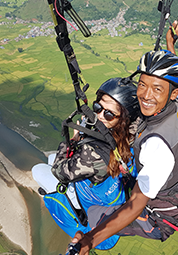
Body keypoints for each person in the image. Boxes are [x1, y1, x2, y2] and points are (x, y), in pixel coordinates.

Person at [70, 22, 178, 254]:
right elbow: (169, 81)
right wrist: (170, 45)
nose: (145, 95)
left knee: (95, 215)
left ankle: (93, 226)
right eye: (142, 84)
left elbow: (135, 205)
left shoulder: (156, 146)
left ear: (172, 93)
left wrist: (89, 239)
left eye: (156, 89)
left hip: (158, 216)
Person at [32, 77, 140, 250]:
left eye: (108, 114)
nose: (98, 115)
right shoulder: (135, 132)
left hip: (94, 216)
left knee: (38, 170)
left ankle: (73, 204)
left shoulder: (94, 155)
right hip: (112, 196)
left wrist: (74, 140)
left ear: (123, 119)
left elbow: (60, 171)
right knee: (51, 159)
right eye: (98, 107)